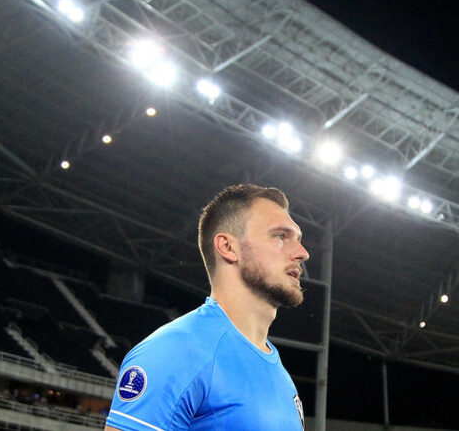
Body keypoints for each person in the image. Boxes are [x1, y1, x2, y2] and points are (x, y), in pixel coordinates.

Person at [105, 184, 309, 430]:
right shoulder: (175, 352)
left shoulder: (281, 376)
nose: (302, 253)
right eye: (280, 236)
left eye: (298, 240)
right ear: (228, 247)